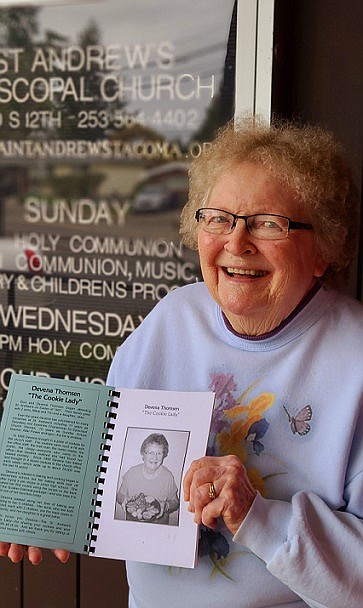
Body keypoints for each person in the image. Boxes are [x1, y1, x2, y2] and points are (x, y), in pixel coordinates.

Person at [1, 116, 362, 608]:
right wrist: (47, 503)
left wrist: (257, 516)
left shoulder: (355, 357)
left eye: (267, 223)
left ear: (323, 247)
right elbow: (105, 458)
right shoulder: (172, 319)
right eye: (218, 218)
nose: (237, 243)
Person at [115, 432, 179, 524]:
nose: (155, 457)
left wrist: (166, 506)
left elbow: (175, 502)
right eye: (150, 453)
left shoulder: (168, 476)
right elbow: (119, 496)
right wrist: (123, 500)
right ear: (143, 454)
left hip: (158, 527)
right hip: (132, 524)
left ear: (164, 455)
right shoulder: (132, 472)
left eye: (159, 453)